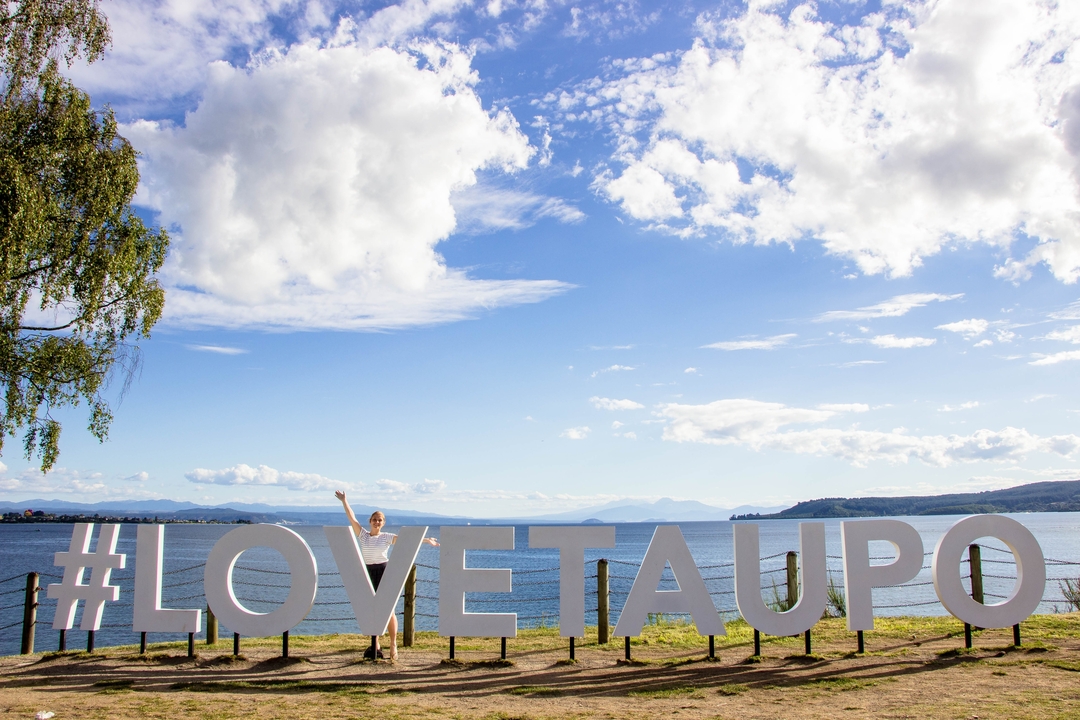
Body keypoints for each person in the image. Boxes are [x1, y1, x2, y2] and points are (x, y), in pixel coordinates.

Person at [335, 490, 439, 661]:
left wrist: (428, 540)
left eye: (380, 520)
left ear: (383, 523)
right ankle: (375, 645)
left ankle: (393, 643)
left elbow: (408, 540)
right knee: (371, 609)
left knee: (388, 610)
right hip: (367, 573)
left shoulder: (386, 537)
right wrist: (344, 501)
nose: (377, 522)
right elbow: (352, 518)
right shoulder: (363, 535)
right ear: (370, 521)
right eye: (374, 519)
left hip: (384, 571)